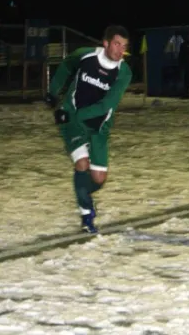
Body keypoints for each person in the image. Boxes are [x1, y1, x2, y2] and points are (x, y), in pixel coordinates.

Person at [44, 25, 132, 233]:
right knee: (82, 163)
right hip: (72, 118)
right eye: (117, 44)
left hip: (99, 126)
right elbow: (66, 66)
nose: (121, 50)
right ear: (106, 43)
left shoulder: (124, 73)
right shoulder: (85, 55)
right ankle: (87, 215)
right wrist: (53, 93)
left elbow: (105, 106)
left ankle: (84, 192)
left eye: (125, 46)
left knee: (98, 179)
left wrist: (75, 115)